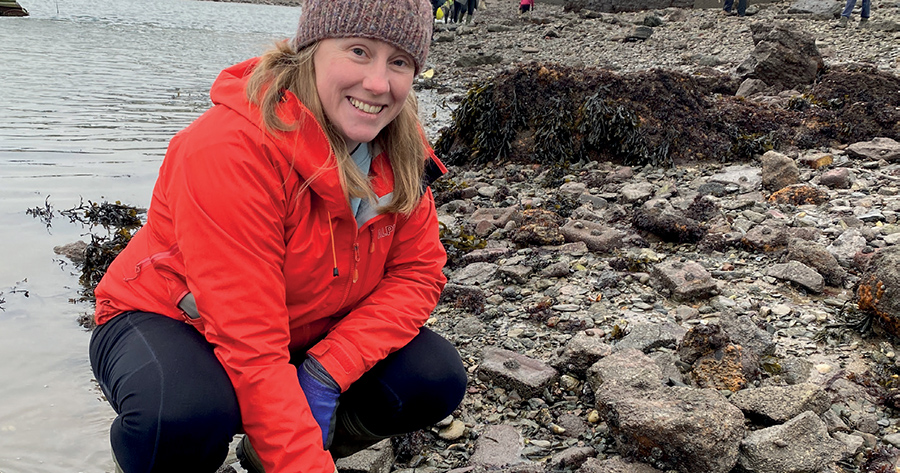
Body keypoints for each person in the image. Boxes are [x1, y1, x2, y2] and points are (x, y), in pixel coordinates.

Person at [87, 0, 468, 472]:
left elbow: (417, 273)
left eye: (399, 62)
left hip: (303, 330)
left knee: (433, 377)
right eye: (358, 51)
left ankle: (265, 456)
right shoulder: (229, 149)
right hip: (172, 318)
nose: (377, 83)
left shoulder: (399, 147)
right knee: (181, 416)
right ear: (310, 48)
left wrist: (327, 371)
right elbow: (251, 343)